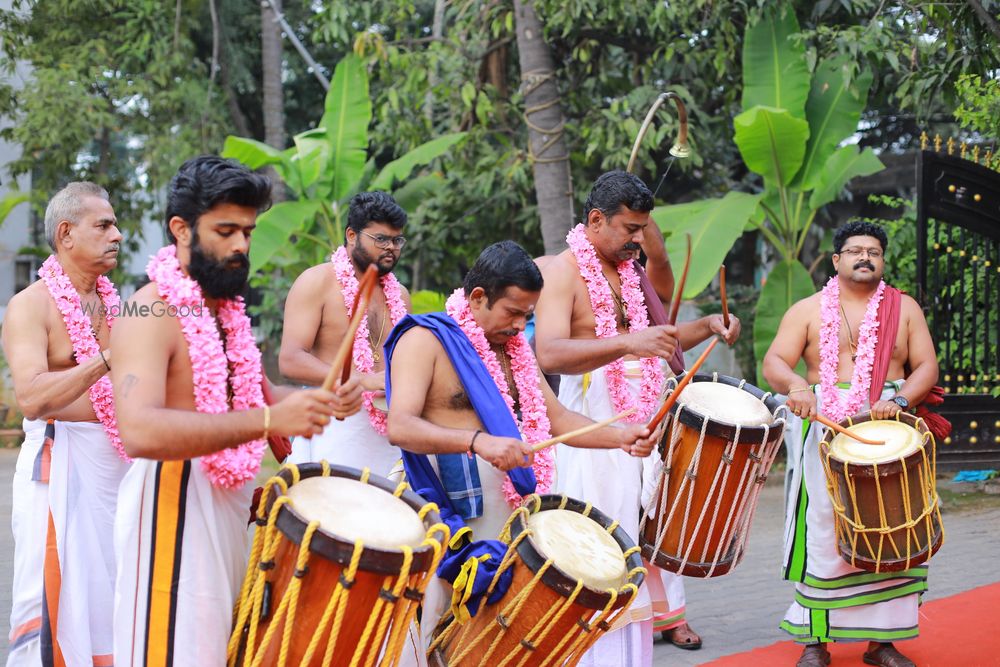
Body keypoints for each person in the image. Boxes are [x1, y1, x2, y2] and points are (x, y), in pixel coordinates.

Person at [110, 156, 363, 665]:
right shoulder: (149, 307)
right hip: (173, 504)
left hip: (228, 507)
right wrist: (269, 422)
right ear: (181, 229)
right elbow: (136, 428)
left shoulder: (222, 309)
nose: (242, 245)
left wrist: (320, 401)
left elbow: (257, 393)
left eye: (247, 231)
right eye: (225, 230)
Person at [385, 240, 657, 655]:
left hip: (510, 508)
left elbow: (559, 421)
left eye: (526, 315)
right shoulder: (426, 340)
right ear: (477, 298)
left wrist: (622, 437)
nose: (519, 325)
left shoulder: (515, 352)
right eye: (512, 312)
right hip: (444, 509)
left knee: (495, 633)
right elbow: (400, 426)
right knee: (437, 632)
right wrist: (477, 442)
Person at [534, 170, 741, 664]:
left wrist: (706, 325)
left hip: (648, 414)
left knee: (642, 534)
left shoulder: (631, 272)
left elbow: (656, 342)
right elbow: (548, 353)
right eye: (630, 229)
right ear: (596, 220)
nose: (638, 239)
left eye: (642, 229)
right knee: (601, 540)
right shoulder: (561, 272)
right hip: (593, 420)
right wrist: (629, 342)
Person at [763, 221, 939, 667]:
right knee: (822, 530)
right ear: (837, 259)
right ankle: (815, 640)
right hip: (822, 428)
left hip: (889, 428)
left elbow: (926, 369)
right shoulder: (807, 309)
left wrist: (897, 398)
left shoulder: (906, 310)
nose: (866, 257)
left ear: (882, 261)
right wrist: (798, 386)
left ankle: (882, 643)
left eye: (874, 251)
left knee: (892, 526)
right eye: (855, 250)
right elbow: (775, 362)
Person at [1, 182, 129, 666]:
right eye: (104, 225)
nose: (116, 234)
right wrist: (105, 360)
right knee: (49, 594)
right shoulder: (30, 306)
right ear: (66, 234)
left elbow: (136, 391)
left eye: (115, 224)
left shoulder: (124, 306)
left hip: (117, 471)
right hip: (58, 472)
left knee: (114, 594)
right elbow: (32, 397)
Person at [280, 191, 410, 475]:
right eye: (381, 239)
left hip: (389, 432)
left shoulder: (400, 296)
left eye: (397, 240)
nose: (391, 247)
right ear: (352, 235)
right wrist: (361, 380)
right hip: (335, 422)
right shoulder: (317, 282)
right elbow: (290, 360)